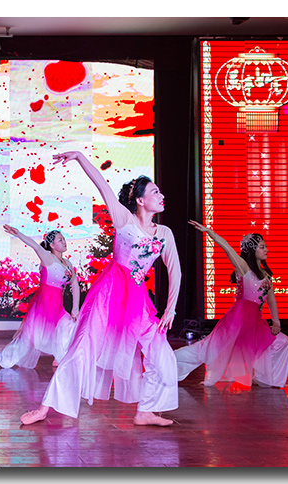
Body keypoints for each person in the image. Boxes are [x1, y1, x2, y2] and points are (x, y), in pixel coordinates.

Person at [21, 150, 181, 427]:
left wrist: (171, 309)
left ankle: (146, 410)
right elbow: (101, 184)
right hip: (108, 296)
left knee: (162, 353)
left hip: (137, 301)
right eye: (155, 192)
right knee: (81, 348)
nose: (162, 195)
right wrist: (79, 156)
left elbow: (174, 270)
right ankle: (45, 408)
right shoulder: (124, 219)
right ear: (140, 200)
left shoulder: (165, 234)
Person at [175, 223, 288, 388]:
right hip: (237, 322)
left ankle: (268, 379)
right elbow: (228, 249)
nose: (266, 250)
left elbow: (271, 300)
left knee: (282, 342)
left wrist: (276, 322)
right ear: (252, 250)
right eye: (262, 247)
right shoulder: (244, 268)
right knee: (206, 350)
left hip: (255, 325)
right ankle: (168, 360)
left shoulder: (266, 275)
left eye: (265, 246)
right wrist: (210, 233)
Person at [0, 226, 80, 369]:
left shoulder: (67, 263)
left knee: (69, 327)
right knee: (26, 342)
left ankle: (60, 358)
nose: (64, 242)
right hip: (42, 307)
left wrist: (75, 308)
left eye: (64, 239)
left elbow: (74, 284)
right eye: (60, 240)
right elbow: (34, 245)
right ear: (52, 245)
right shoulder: (48, 258)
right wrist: (18, 234)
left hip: (57, 308)